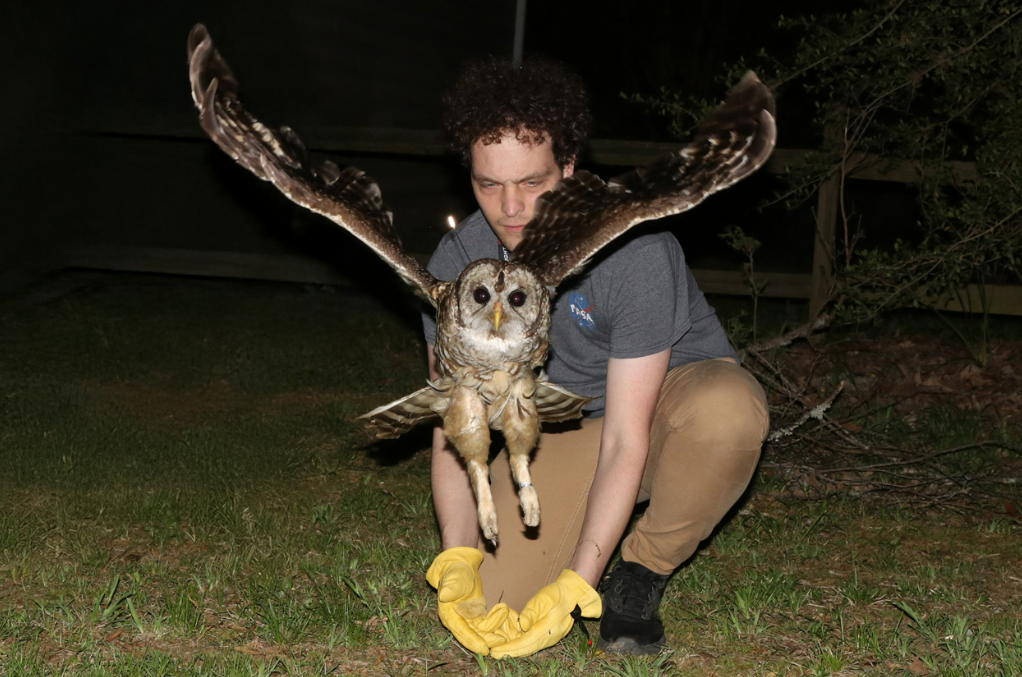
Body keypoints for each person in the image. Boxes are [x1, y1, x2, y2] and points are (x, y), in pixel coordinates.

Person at [422, 57, 769, 658]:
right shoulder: (456, 266)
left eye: (533, 182)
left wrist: (582, 576)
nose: (511, 209)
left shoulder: (633, 249)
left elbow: (626, 436)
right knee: (498, 603)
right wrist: (457, 551)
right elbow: (457, 426)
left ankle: (641, 568)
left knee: (728, 413)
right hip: (569, 426)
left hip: (666, 409)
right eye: (488, 184)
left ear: (571, 167)